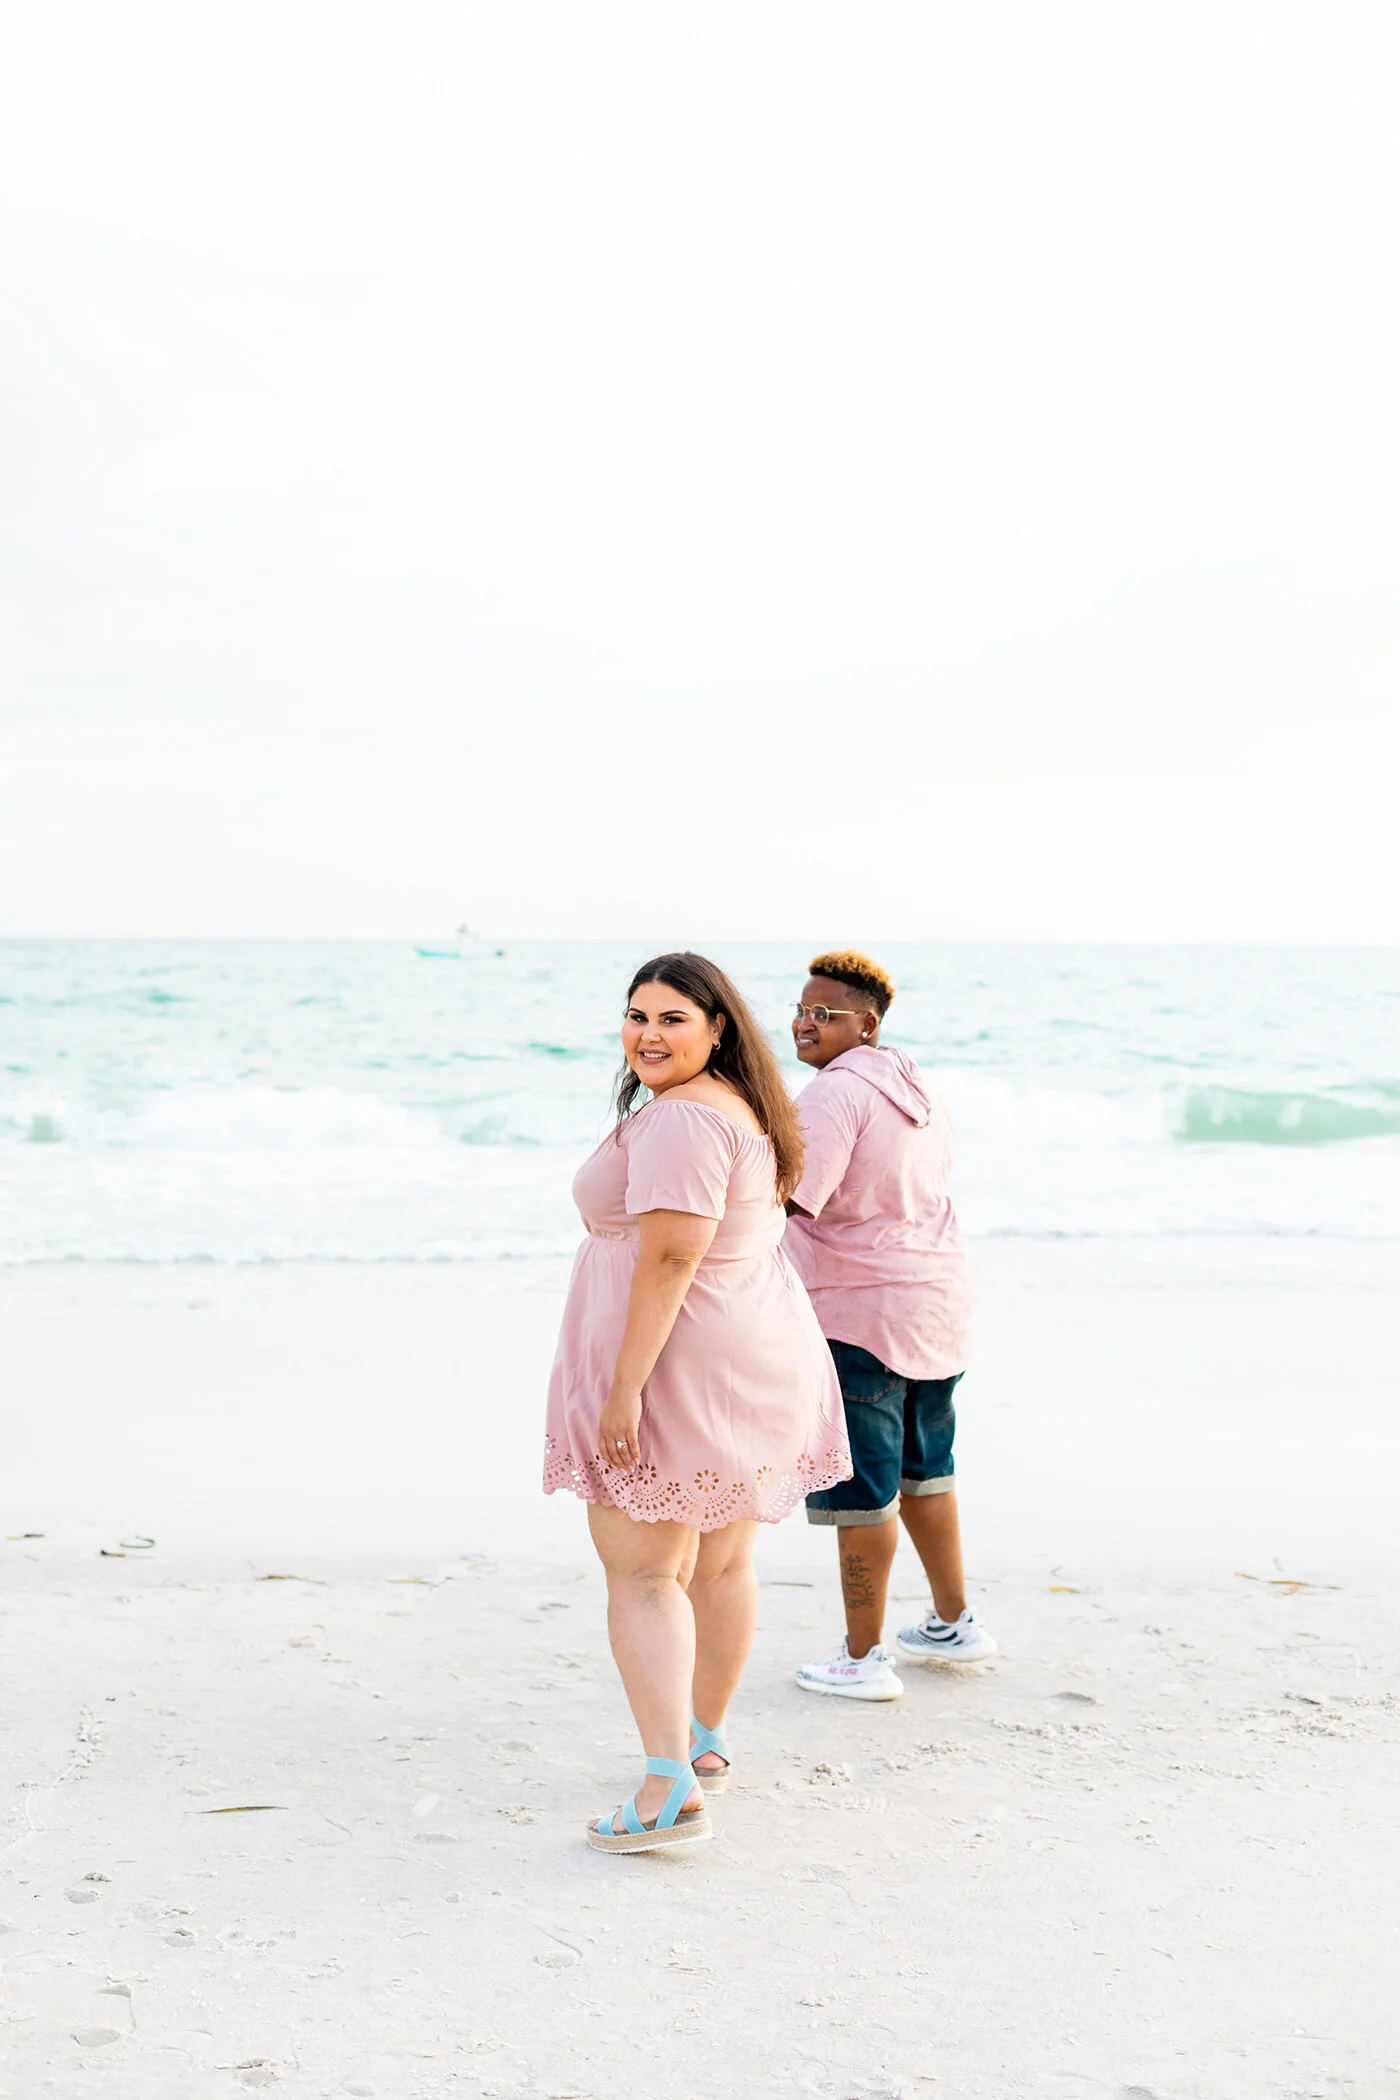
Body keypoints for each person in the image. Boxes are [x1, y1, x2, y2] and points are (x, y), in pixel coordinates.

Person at [544, 952, 850, 1851]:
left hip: (685, 1358)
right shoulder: (743, 1106)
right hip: (751, 1343)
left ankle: (667, 1787)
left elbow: (672, 1256)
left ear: (718, 1027)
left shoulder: (681, 1122)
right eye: (636, 1015)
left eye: (673, 1017)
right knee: (717, 1563)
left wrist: (623, 1388)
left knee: (644, 1572)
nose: (647, 1033)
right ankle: (703, 1743)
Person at [784, 950, 996, 1700]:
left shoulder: (832, 1095)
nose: (804, 1023)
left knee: (863, 1491)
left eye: (824, 1013)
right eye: (801, 1010)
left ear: (865, 1024)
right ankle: (953, 1620)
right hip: (937, 1302)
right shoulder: (913, 1084)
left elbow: (794, 1200)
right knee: (925, 1473)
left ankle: (863, 1657)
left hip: (861, 1311)